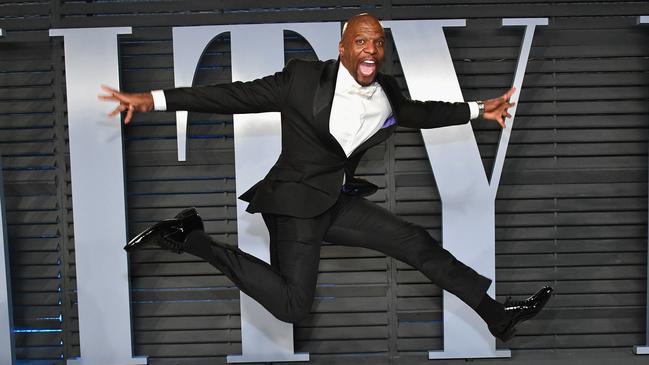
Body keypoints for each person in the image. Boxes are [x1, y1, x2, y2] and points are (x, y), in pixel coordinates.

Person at [100, 13, 552, 342]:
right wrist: (154, 99)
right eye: (361, 41)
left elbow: (420, 112)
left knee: (415, 241)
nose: (370, 50)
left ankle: (496, 314)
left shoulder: (387, 91)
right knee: (293, 309)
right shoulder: (302, 80)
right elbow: (230, 96)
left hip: (334, 202)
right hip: (294, 203)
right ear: (342, 47)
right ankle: (193, 237)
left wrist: (476, 110)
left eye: (377, 42)